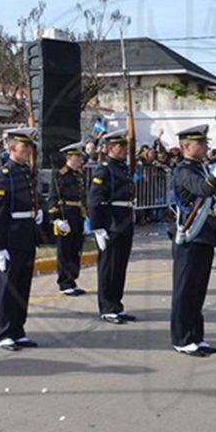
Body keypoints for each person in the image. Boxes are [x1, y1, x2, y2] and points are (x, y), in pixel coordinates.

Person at [169, 124, 216, 357]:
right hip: (191, 237)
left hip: (203, 235)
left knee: (198, 290)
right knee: (185, 289)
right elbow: (202, 189)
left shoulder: (199, 168)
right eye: (201, 143)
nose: (206, 146)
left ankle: (196, 336)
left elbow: (208, 194)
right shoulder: (184, 170)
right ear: (187, 146)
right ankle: (181, 338)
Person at [0, 127, 41, 351]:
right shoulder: (4, 174)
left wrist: (36, 212)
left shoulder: (25, 172)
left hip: (26, 234)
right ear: (12, 148)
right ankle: (4, 332)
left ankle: (18, 329)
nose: (28, 150)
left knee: (22, 286)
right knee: (8, 287)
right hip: (11, 237)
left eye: (30, 146)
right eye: (24, 146)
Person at [88, 129, 136, 324]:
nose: (124, 149)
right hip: (111, 224)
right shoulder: (104, 170)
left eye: (125, 146)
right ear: (109, 148)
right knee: (109, 267)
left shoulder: (122, 168)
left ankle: (116, 304)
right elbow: (93, 201)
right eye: (120, 146)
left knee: (120, 266)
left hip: (124, 221)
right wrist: (98, 227)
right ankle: (107, 307)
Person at [48, 141, 87, 296]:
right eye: (77, 156)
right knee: (64, 250)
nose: (80, 159)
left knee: (75, 249)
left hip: (77, 215)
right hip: (65, 215)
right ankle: (64, 282)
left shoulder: (79, 175)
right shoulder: (60, 174)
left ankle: (72, 279)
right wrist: (56, 218)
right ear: (69, 157)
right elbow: (53, 197)